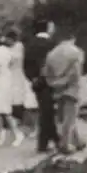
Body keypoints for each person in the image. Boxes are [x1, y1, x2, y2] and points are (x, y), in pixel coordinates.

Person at [42, 24, 87, 155]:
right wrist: (69, 81)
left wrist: (54, 83)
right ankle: (65, 144)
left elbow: (46, 73)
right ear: (72, 38)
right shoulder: (76, 51)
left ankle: (77, 141)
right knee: (70, 117)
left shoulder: (51, 54)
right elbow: (76, 72)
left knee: (65, 116)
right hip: (72, 87)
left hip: (57, 88)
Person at [24, 20, 59, 154]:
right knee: (47, 113)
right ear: (47, 28)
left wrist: (33, 78)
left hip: (37, 83)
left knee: (46, 111)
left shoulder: (30, 44)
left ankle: (53, 140)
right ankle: (45, 143)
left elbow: (25, 65)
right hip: (50, 81)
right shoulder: (51, 44)